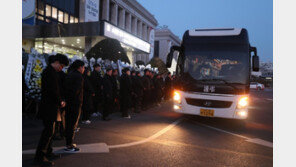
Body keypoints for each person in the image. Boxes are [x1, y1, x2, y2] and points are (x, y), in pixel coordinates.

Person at [34, 54, 69, 166]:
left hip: (51, 106)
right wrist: (60, 101)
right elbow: (53, 91)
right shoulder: (49, 73)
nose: (61, 68)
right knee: (48, 132)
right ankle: (40, 157)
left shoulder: (51, 72)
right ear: (57, 62)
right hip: (49, 107)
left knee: (50, 131)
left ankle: (48, 152)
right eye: (62, 65)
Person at [64, 60, 85, 152]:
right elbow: (76, 91)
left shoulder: (70, 73)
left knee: (69, 123)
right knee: (72, 124)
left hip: (68, 102)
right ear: (80, 67)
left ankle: (69, 143)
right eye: (83, 67)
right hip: (75, 103)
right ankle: (69, 145)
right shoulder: (78, 76)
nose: (84, 69)